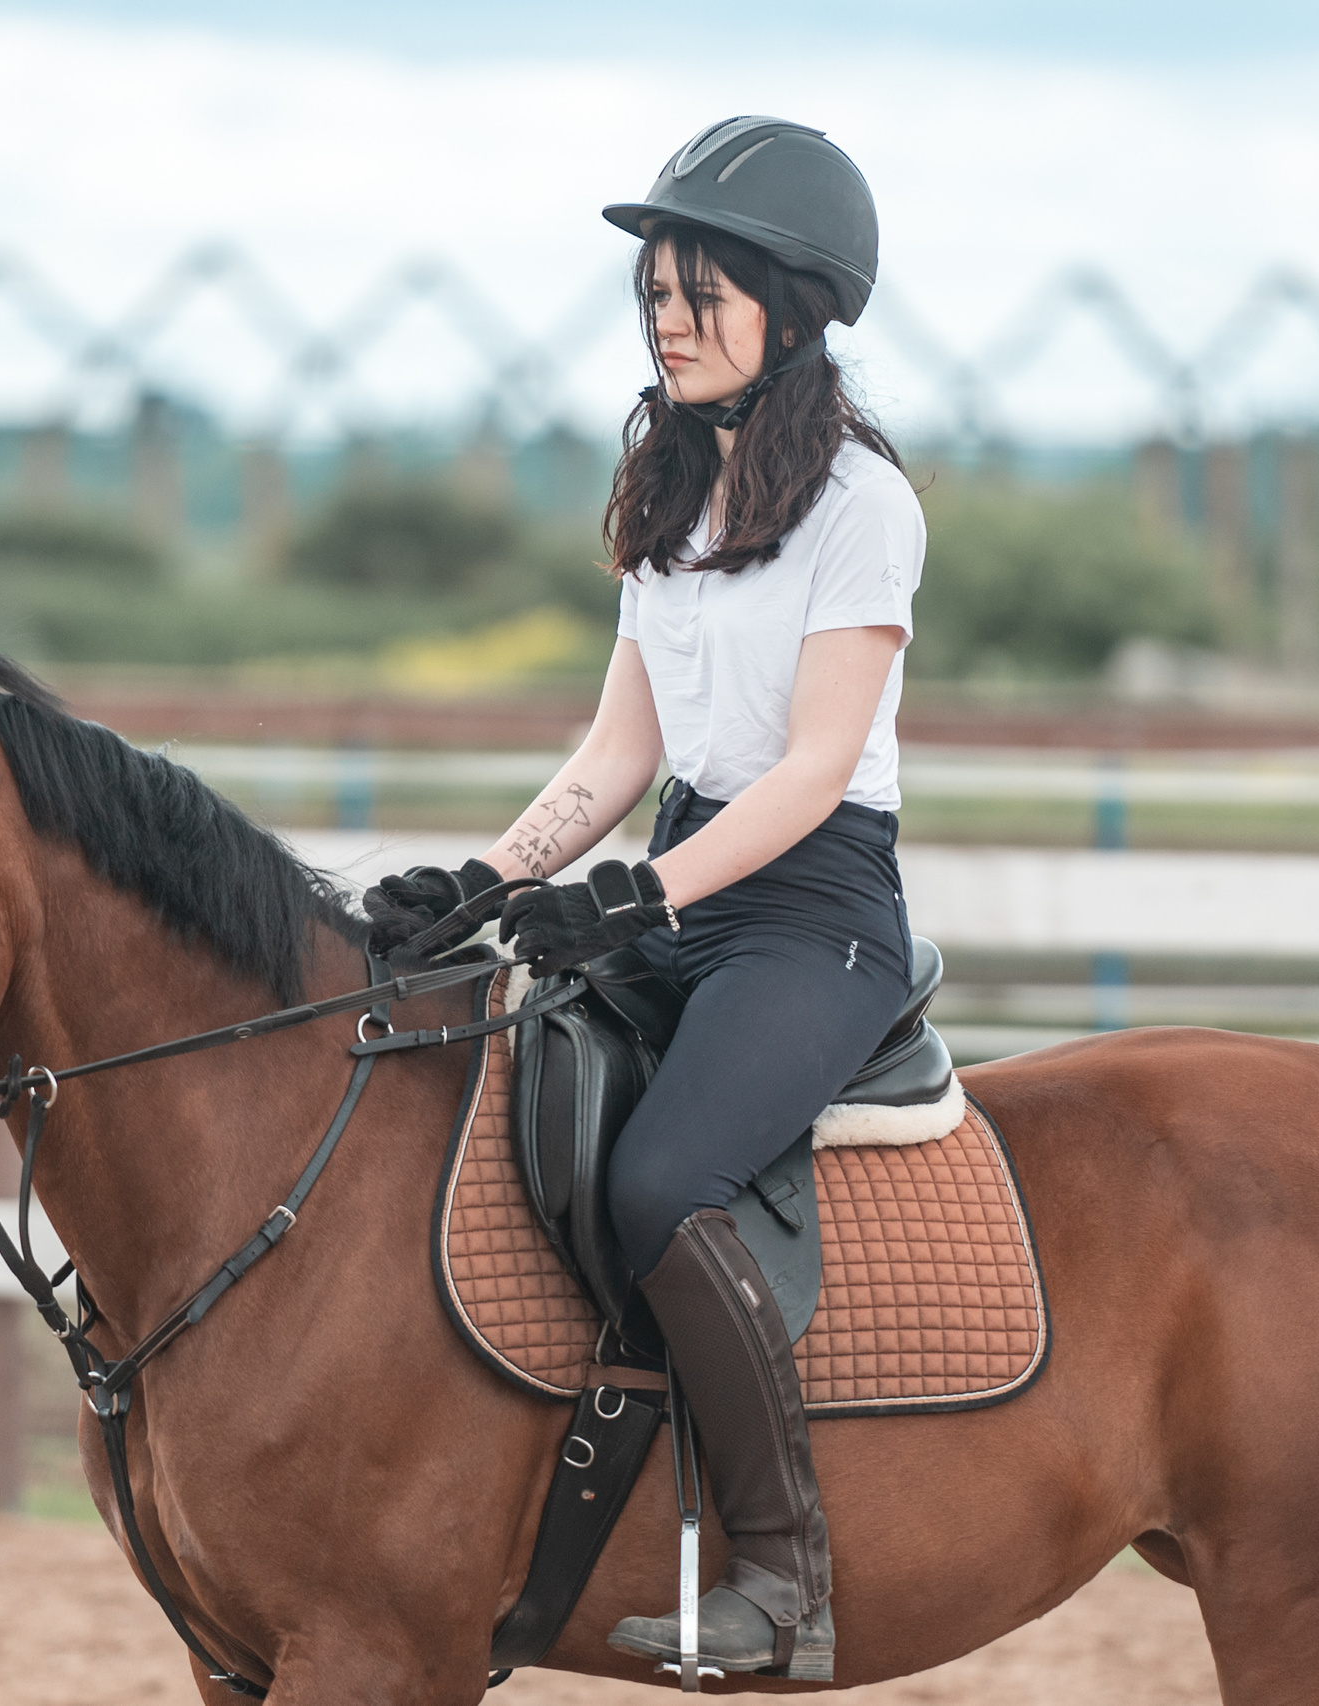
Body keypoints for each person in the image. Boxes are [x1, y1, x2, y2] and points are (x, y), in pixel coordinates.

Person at [363, 116, 921, 1681]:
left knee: (661, 1176)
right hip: (684, 874)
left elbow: (812, 772)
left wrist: (634, 902)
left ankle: (791, 1578)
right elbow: (620, 750)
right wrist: (487, 877)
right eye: (652, 291)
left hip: (816, 911)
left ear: (796, 311)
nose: (663, 316)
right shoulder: (668, 499)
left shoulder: (865, 510)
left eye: (699, 290)